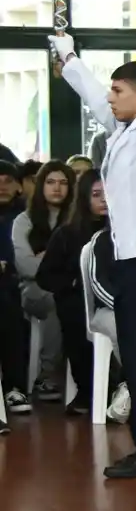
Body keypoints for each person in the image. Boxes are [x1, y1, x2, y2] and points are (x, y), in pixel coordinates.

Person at [52, 26, 136, 480]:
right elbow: (92, 97)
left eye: (118, 89)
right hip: (130, 259)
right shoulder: (122, 131)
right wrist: (69, 59)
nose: (109, 97)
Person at [36, 171, 110, 416]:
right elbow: (45, 276)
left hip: (116, 301)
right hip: (78, 302)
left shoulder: (125, 232)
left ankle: (120, 389)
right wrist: (74, 283)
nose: (104, 200)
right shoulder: (67, 234)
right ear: (84, 198)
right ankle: (87, 390)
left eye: (108, 194)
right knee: (73, 310)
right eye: (97, 194)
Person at [11, 160, 75, 405]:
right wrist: (57, 263)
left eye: (63, 182)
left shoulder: (77, 219)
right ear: (40, 186)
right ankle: (47, 374)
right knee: (55, 299)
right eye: (50, 182)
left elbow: (82, 264)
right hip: (34, 289)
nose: (57, 188)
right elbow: (25, 266)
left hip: (72, 287)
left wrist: (46, 258)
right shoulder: (24, 221)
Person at [0, 161, 29, 415]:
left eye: (8, 180)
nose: (2, 186)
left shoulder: (27, 216)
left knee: (9, 306)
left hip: (17, 282)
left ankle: (14, 386)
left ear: (19, 186)